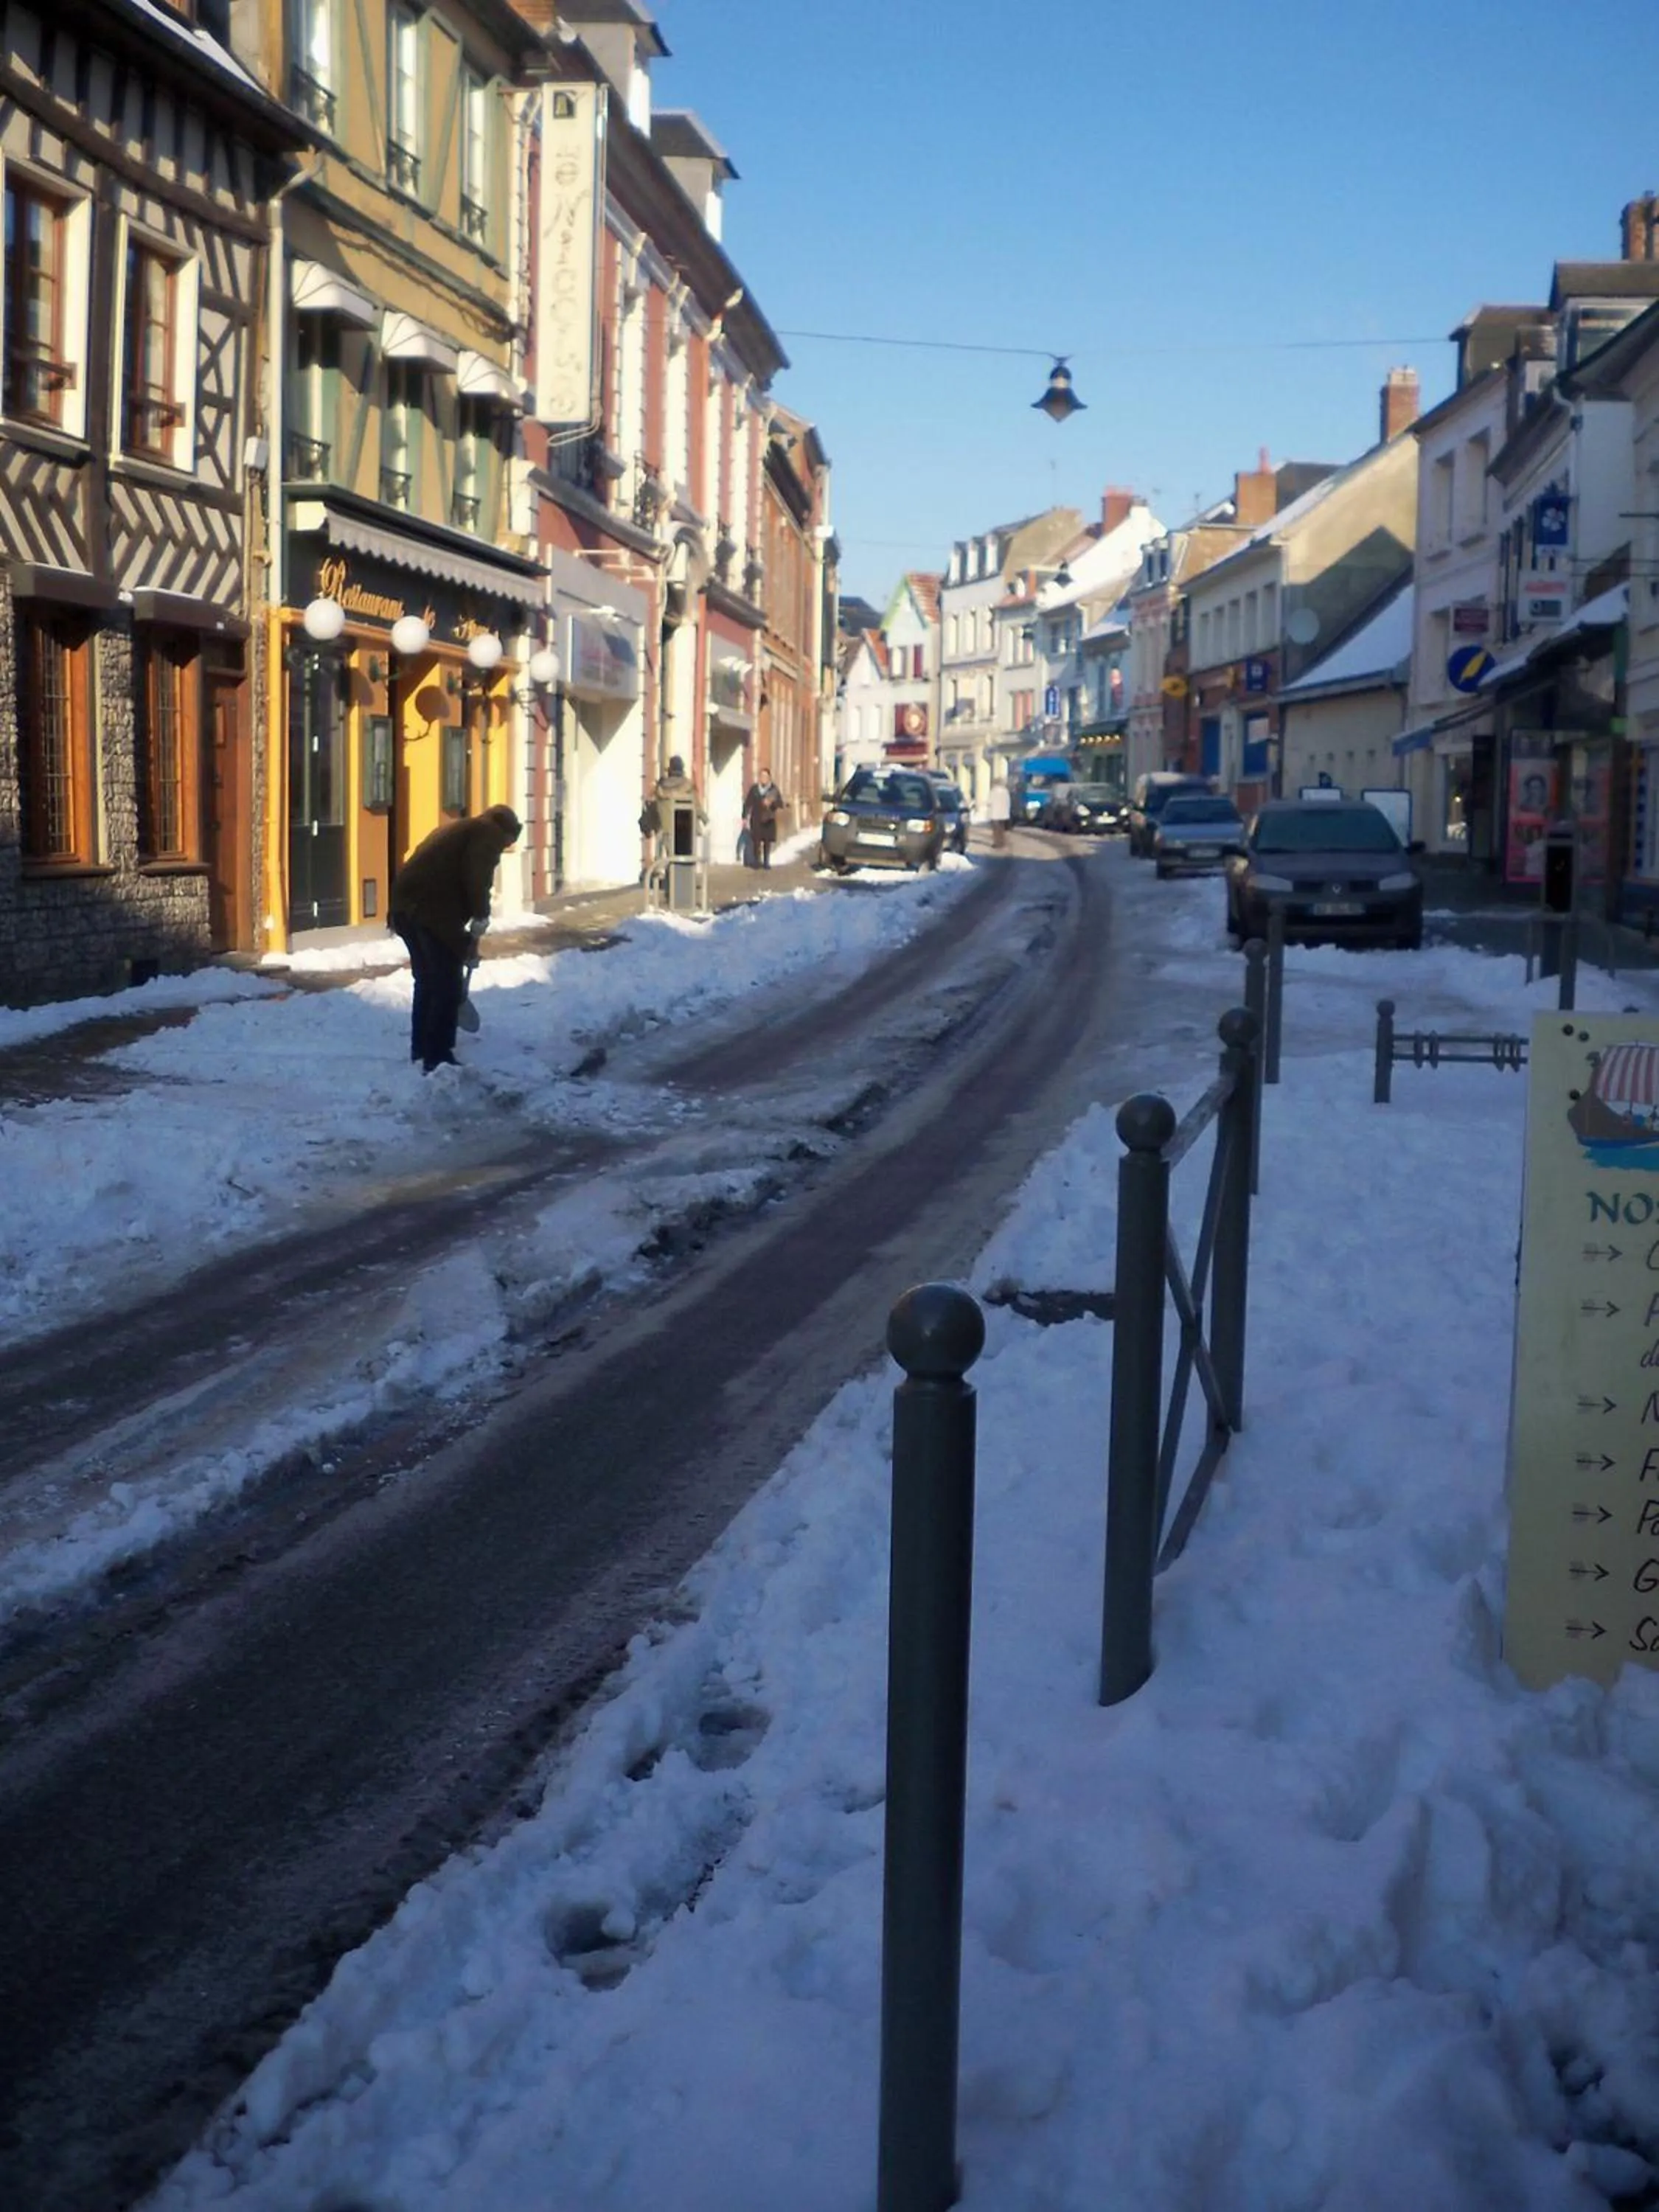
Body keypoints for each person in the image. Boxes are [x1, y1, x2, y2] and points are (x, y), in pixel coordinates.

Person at [388, 804, 521, 1072]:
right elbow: (477, 877)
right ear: (506, 831)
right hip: (432, 913)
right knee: (448, 986)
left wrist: (466, 939)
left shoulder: (457, 829)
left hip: (405, 909)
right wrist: (481, 915)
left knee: (427, 982)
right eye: (507, 844)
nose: (504, 848)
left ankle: (421, 1048)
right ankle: (438, 1056)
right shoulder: (487, 833)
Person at [743, 765, 784, 870]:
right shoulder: (755, 789)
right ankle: (757, 861)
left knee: (767, 841)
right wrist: (744, 816)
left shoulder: (773, 789)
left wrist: (772, 803)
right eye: (761, 776)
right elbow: (748, 803)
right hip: (756, 818)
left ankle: (766, 862)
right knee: (756, 841)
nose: (763, 778)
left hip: (768, 819)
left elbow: (781, 804)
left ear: (769, 778)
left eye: (765, 776)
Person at [988, 774, 1012, 852]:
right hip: (1004, 814)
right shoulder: (1005, 791)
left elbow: (989, 802)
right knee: (1002, 830)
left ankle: (997, 843)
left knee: (996, 830)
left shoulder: (993, 791)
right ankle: (1002, 843)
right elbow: (1008, 802)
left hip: (995, 814)